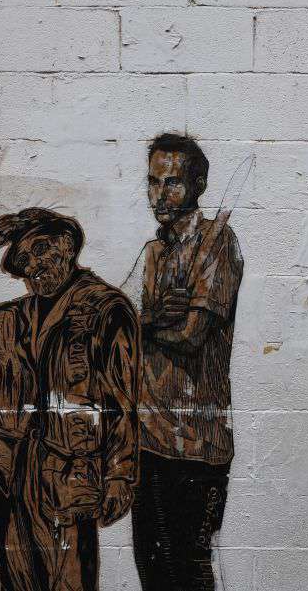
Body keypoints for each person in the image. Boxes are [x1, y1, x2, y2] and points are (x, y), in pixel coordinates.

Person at [0, 208, 140, 591]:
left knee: (70, 584)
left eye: (40, 250)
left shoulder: (105, 308)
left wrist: (120, 475)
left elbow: (122, 401)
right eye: (24, 261)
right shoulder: (14, 319)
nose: (33, 265)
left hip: (68, 473)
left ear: (67, 246)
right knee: (18, 584)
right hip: (9, 469)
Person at [129, 133, 244, 591]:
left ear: (199, 184)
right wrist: (152, 322)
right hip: (148, 437)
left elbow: (191, 336)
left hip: (197, 441)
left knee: (188, 571)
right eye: (153, 182)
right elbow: (129, 325)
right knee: (153, 568)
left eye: (173, 182)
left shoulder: (217, 240)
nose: (160, 194)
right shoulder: (155, 252)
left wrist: (147, 327)